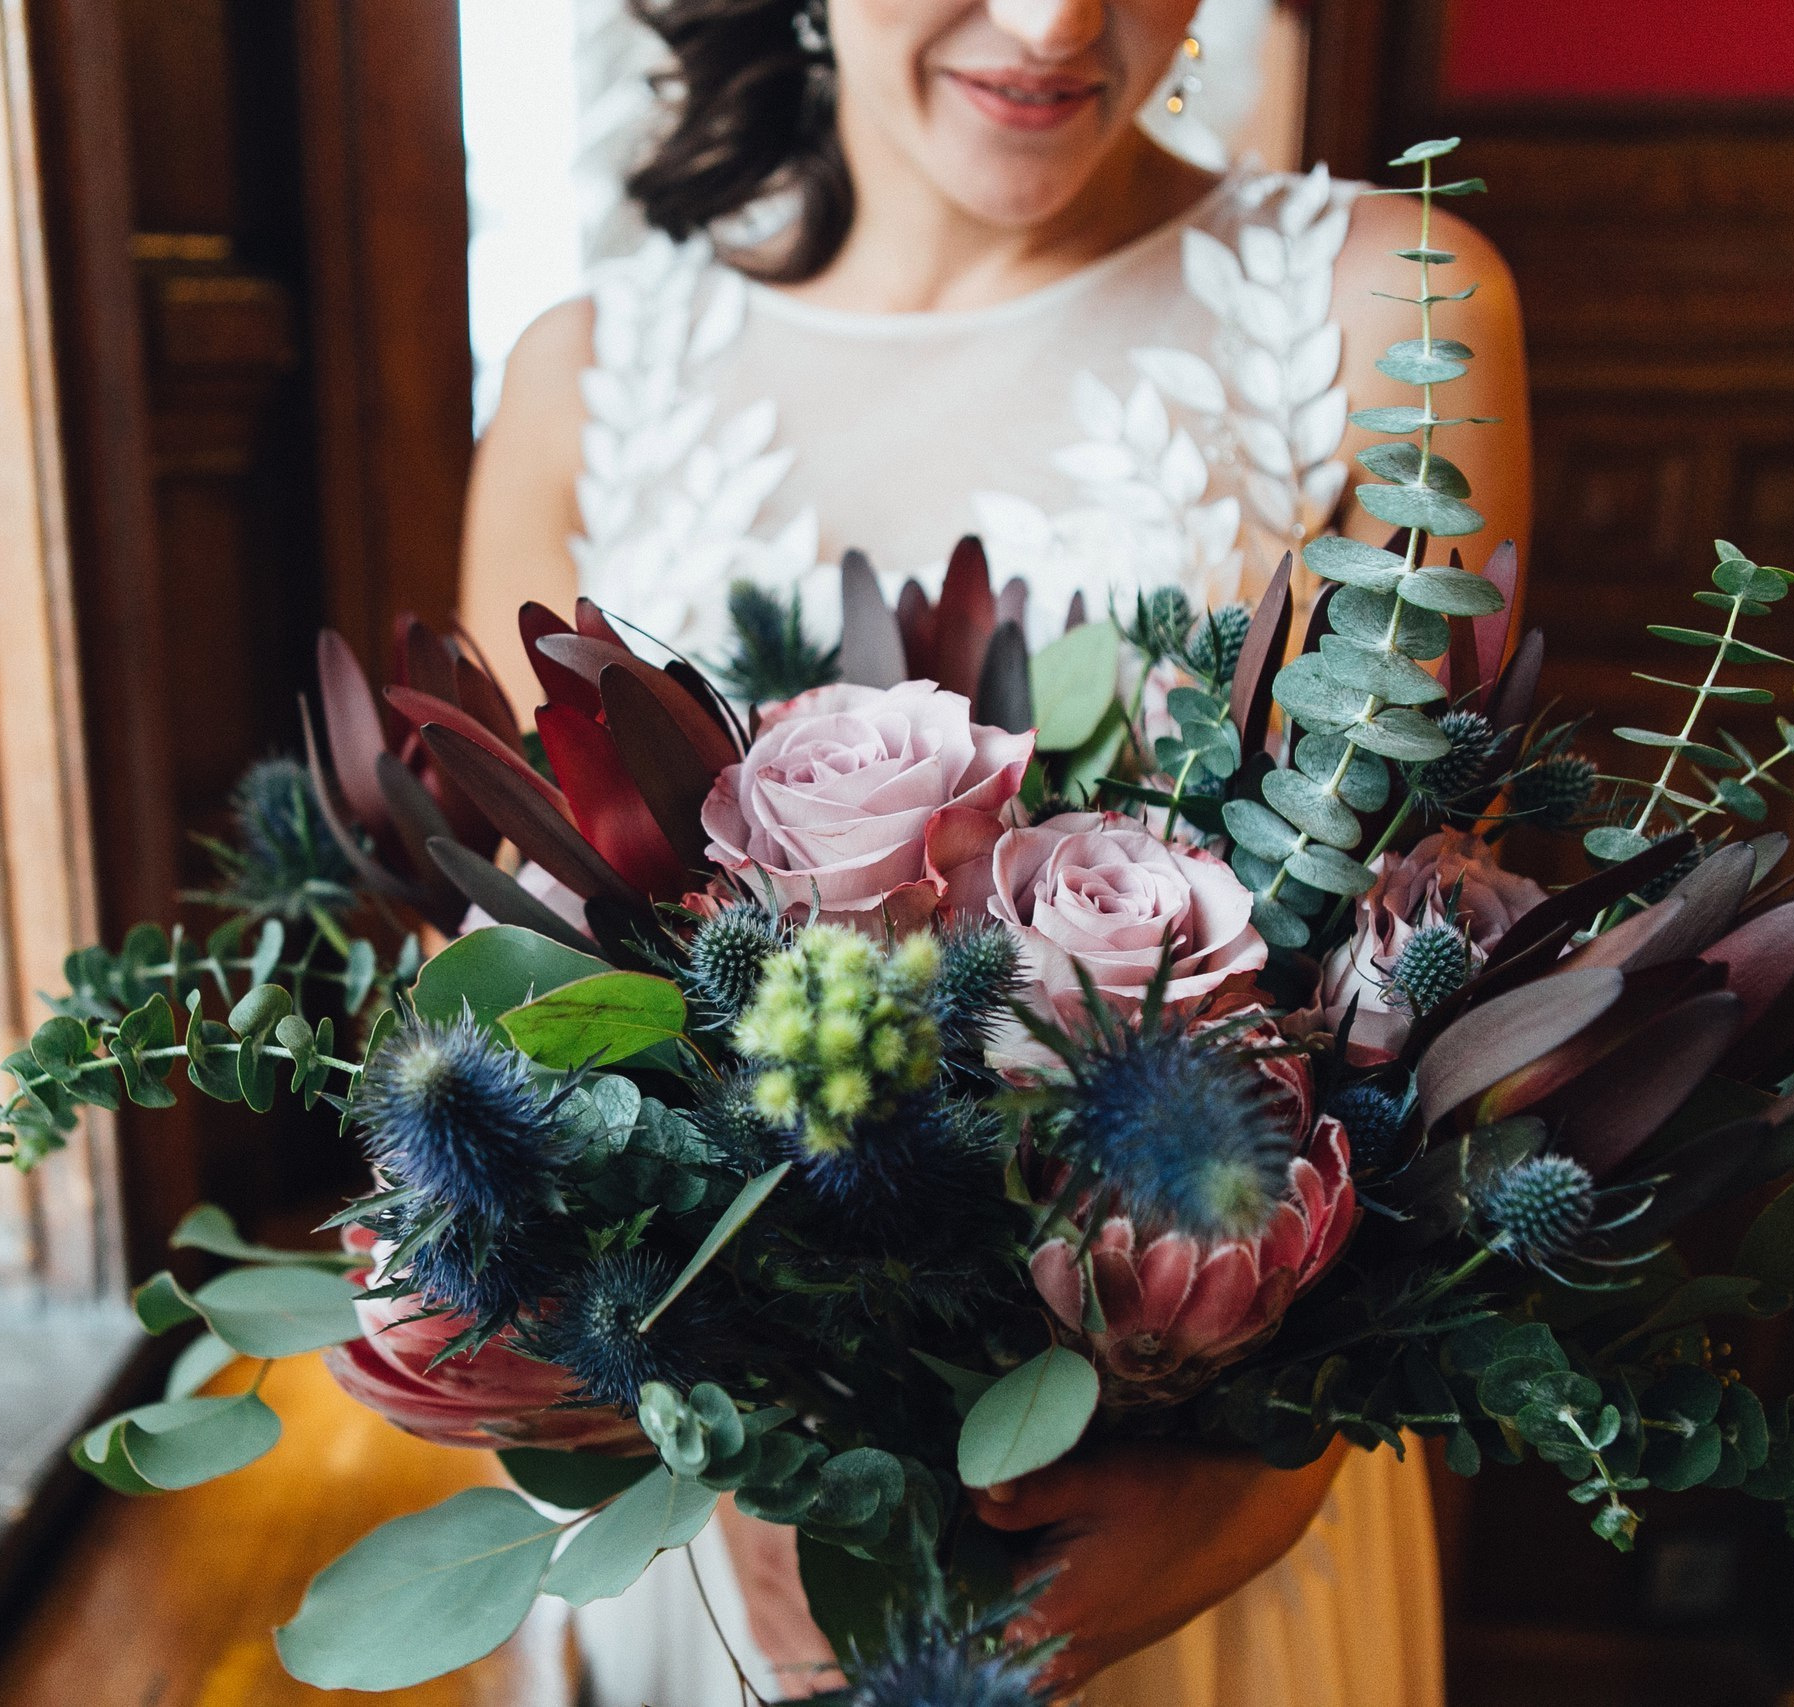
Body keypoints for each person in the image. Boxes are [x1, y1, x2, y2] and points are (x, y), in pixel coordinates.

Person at [460, 1, 1530, 1700]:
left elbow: (1432, 996)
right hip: (718, 1549)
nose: (1056, 23)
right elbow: (510, 1007)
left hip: (1191, 1544)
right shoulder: (584, 377)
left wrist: (1266, 1481)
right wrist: (691, 1433)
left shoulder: (1385, 307)